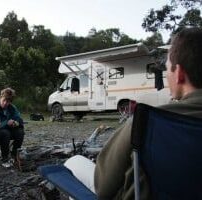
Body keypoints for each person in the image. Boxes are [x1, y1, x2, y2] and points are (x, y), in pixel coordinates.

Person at [64, 27, 202, 200]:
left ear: (179, 74)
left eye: (168, 69)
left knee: (73, 162)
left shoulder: (146, 121)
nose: (166, 76)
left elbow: (103, 186)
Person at [0, 88, 25, 168]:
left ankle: (14, 155)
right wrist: (6, 123)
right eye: (4, 100)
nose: (6, 103)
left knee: (20, 132)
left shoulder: (12, 108)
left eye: (8, 101)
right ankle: (5, 158)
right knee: (5, 133)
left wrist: (15, 123)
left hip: (8, 129)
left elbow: (18, 119)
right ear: (0, 98)